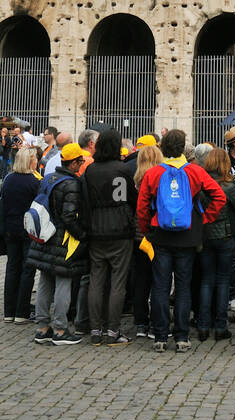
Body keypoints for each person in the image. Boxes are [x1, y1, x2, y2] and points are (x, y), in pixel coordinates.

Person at [136, 128, 226, 353]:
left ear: (163, 147)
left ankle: (159, 335)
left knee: (160, 286)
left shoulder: (154, 173)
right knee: (184, 286)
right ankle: (182, 336)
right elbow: (219, 196)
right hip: (188, 235)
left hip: (161, 235)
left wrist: (148, 228)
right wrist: (204, 219)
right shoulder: (195, 171)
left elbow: (142, 207)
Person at [28, 142, 90, 345]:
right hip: (62, 240)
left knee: (45, 281)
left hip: (45, 237)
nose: (82, 164)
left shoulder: (48, 178)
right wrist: (82, 235)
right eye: (80, 161)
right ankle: (61, 329)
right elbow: (69, 216)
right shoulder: (71, 183)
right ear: (73, 163)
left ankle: (42, 327)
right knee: (64, 281)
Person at [82, 126, 137, 346]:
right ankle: (113, 331)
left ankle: (95, 330)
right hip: (120, 229)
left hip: (96, 229)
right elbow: (132, 198)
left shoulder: (90, 170)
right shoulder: (123, 169)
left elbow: (84, 201)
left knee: (96, 280)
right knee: (118, 282)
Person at [198, 147, 235, 341]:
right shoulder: (229, 186)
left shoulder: (200, 183)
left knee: (206, 280)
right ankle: (220, 326)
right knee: (223, 280)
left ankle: (202, 325)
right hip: (225, 235)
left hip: (205, 235)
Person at [0, 145, 41, 321]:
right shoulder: (33, 182)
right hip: (27, 230)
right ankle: (22, 311)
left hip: (10, 228)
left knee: (12, 268)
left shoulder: (8, 179)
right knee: (27, 270)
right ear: (31, 162)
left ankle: (9, 311)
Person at [131, 142, 163, 335]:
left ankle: (140, 321)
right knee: (159, 279)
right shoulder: (160, 178)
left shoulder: (136, 180)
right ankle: (156, 321)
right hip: (155, 233)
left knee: (140, 279)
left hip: (138, 235)